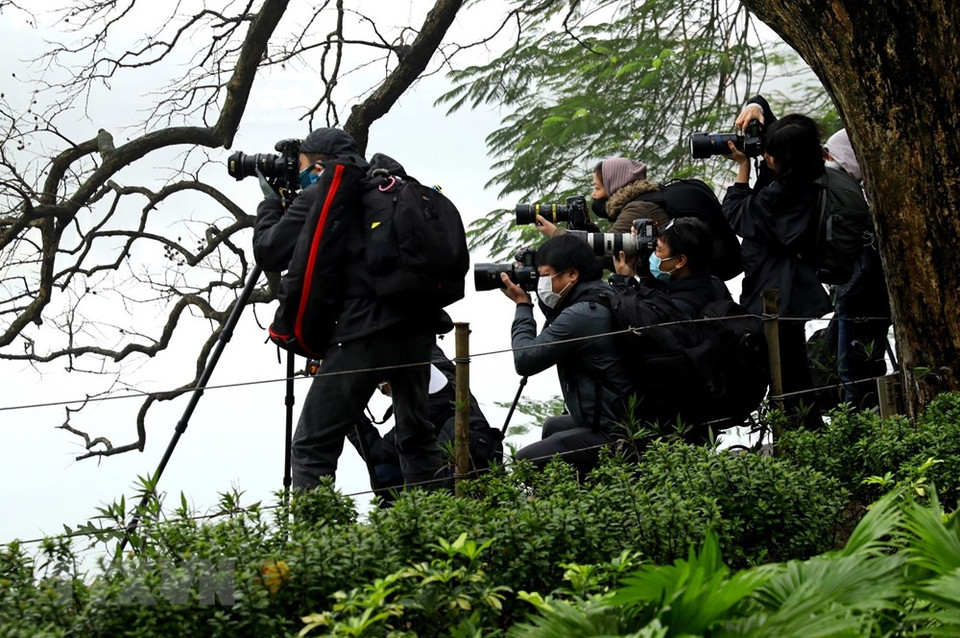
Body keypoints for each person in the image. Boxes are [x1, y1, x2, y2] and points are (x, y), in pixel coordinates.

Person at [252, 128, 449, 491]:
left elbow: (269, 251)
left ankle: (319, 544)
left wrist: (269, 203)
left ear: (322, 165)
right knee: (417, 438)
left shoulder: (323, 192)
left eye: (303, 167)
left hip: (362, 335)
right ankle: (436, 538)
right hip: (418, 332)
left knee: (312, 446)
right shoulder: (390, 186)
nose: (300, 174)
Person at [721, 97, 831, 429]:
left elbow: (736, 213)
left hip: (778, 294)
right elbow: (788, 136)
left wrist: (742, 167)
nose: (764, 157)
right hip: (791, 287)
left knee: (789, 379)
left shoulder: (783, 196)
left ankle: (803, 439)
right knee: (792, 371)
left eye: (770, 155)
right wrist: (758, 108)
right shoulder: (807, 175)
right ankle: (805, 435)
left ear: (784, 162)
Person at [500, 234, 635, 475]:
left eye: (544, 276)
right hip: (619, 415)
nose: (541, 283)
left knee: (525, 461)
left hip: (616, 430)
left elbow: (525, 360)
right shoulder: (601, 293)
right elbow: (559, 316)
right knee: (554, 425)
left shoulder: (582, 314)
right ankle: (574, 489)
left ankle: (569, 504)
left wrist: (523, 305)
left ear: (572, 274)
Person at [610, 217, 735, 440]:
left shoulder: (686, 304)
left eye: (658, 250)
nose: (654, 255)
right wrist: (643, 265)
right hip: (698, 404)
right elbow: (660, 297)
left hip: (676, 420)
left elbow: (644, 319)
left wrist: (624, 282)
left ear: (680, 261)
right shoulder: (708, 281)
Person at [347, 343, 500, 499]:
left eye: (382, 389)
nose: (384, 393)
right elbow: (425, 343)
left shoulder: (416, 414)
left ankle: (418, 509)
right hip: (480, 453)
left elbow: (376, 452)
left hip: (447, 477)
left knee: (382, 474)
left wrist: (346, 407)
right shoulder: (449, 376)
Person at [822, 129, 892, 408]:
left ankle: (860, 428)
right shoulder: (852, 199)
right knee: (850, 370)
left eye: (831, 156)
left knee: (856, 373)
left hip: (858, 300)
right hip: (851, 300)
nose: (826, 163)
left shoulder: (857, 205)